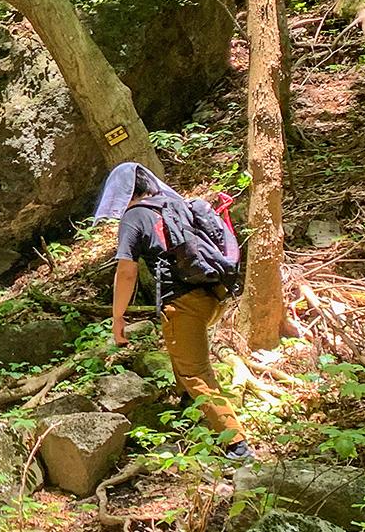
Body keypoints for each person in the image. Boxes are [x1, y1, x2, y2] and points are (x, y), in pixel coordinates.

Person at [96, 162, 254, 461]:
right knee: (181, 353)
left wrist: (118, 318)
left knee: (195, 371)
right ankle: (188, 408)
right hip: (214, 293)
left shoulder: (134, 217)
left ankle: (237, 444)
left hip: (184, 302)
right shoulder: (174, 203)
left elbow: (126, 272)